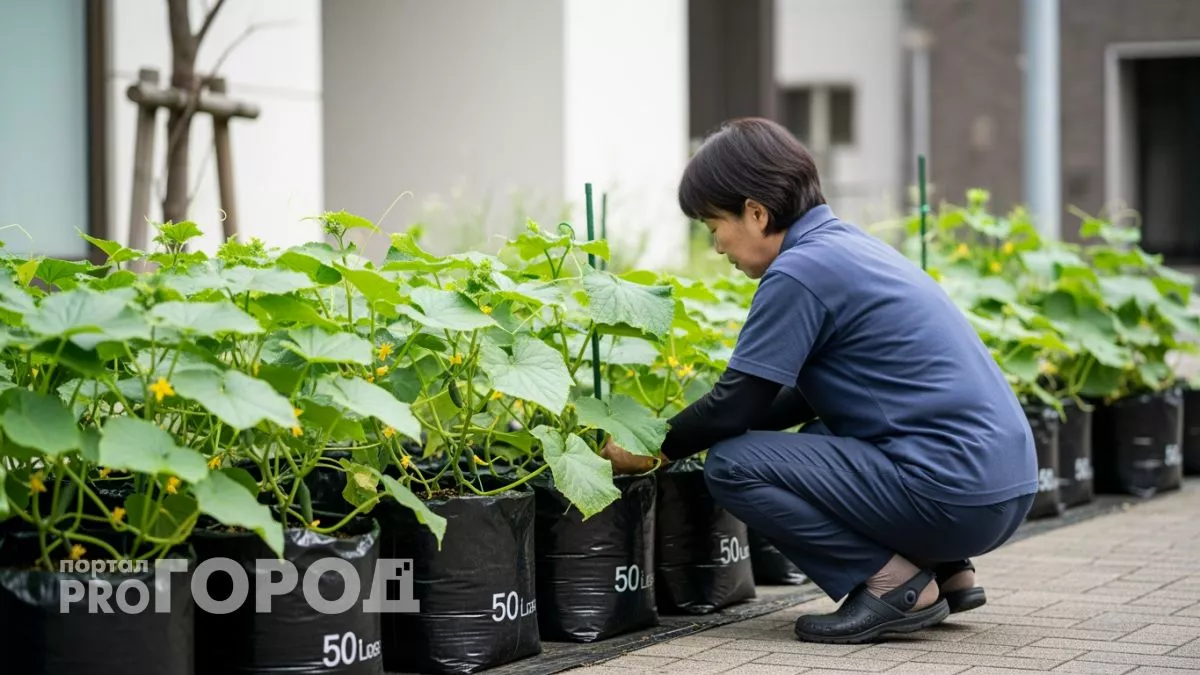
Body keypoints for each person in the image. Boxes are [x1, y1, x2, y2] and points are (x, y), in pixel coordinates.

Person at [601, 117, 1037, 644]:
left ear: (755, 213)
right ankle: (945, 569)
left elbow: (738, 404)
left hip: (954, 494)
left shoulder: (798, 272)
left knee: (735, 466)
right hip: (1000, 487)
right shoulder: (851, 246)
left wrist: (654, 447)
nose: (717, 247)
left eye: (715, 226)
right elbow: (793, 398)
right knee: (815, 444)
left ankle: (891, 584)